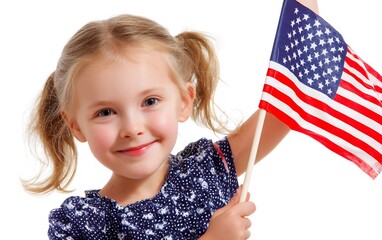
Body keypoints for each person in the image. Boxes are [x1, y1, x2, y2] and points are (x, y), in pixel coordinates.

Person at [23, 13, 290, 240]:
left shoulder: (204, 169)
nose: (133, 128)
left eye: (150, 101)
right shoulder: (83, 225)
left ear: (184, 101)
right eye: (106, 112)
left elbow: (281, 112)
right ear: (76, 126)